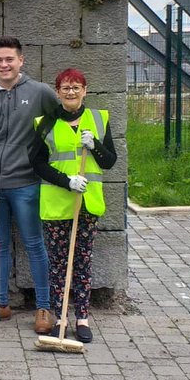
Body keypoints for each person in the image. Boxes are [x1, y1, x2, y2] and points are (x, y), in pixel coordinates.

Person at [0, 36, 61, 334]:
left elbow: (63, 120)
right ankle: (0, 303)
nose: (4, 64)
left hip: (26, 184)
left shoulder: (40, 92)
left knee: (34, 244)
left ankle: (44, 307)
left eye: (9, 59)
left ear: (21, 60)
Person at [31, 68, 117, 344]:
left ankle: (82, 318)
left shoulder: (99, 120)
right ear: (57, 92)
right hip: (57, 204)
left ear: (85, 90)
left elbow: (109, 161)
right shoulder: (45, 123)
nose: (71, 92)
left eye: (76, 87)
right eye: (65, 88)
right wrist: (66, 181)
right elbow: (37, 163)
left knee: (82, 261)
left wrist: (95, 145)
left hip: (86, 204)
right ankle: (61, 317)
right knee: (58, 263)